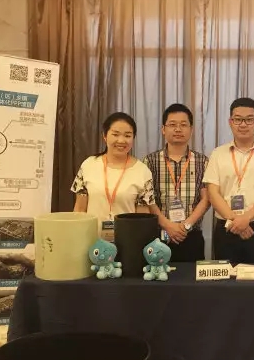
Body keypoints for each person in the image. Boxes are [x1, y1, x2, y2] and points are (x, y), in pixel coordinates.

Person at [203, 97, 254, 265]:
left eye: (249, 119)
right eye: (238, 119)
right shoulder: (218, 153)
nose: (243, 124)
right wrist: (236, 220)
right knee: (226, 279)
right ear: (230, 122)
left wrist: (246, 218)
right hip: (226, 227)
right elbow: (212, 192)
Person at [72, 112, 155, 241]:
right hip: (91, 241)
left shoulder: (142, 171)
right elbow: (79, 209)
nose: (121, 140)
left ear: (133, 138)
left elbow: (141, 218)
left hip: (127, 242)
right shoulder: (88, 165)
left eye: (127, 135)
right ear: (105, 136)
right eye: (115, 134)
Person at [143, 103, 210, 262]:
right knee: (158, 277)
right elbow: (147, 199)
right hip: (159, 235)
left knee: (191, 277)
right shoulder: (150, 161)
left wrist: (185, 225)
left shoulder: (202, 161)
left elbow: (206, 199)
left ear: (191, 130)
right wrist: (167, 225)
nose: (178, 129)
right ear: (163, 129)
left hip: (191, 234)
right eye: (172, 125)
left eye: (183, 125)